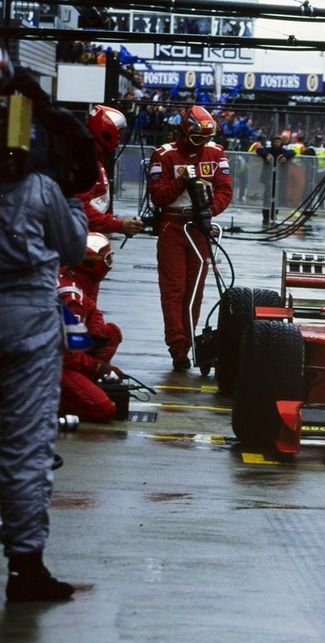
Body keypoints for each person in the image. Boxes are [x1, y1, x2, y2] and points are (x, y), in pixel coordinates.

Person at [0, 134, 88, 602]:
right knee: (26, 446)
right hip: (28, 323)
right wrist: (72, 201)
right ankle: (25, 566)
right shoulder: (40, 188)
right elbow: (74, 248)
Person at [147, 105, 232, 371]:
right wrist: (180, 183)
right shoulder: (163, 155)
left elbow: (225, 191)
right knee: (174, 290)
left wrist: (209, 210)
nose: (202, 143)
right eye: (197, 138)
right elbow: (158, 196)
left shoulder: (216, 153)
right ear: (185, 131)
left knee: (195, 292)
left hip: (200, 227)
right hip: (173, 226)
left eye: (206, 138)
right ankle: (178, 346)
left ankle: (192, 342)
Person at [58, 233, 123, 422]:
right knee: (104, 410)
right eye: (107, 259)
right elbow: (66, 355)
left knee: (110, 332)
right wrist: (98, 367)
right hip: (49, 363)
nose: (110, 265)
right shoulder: (71, 297)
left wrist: (95, 331)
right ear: (91, 263)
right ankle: (54, 406)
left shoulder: (73, 280)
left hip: (54, 355)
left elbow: (94, 311)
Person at [79, 105, 143, 237]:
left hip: (89, 235)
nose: (118, 142)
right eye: (118, 136)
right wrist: (119, 225)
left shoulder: (94, 158)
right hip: (82, 237)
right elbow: (80, 208)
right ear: (106, 132)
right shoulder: (85, 161)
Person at [256, 135, 295, 224]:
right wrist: (266, 155)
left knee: (276, 197)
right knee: (267, 197)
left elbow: (292, 152)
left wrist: (286, 156)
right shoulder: (268, 150)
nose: (277, 143)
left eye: (278, 142)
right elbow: (259, 150)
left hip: (279, 178)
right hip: (268, 178)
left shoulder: (283, 151)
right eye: (275, 142)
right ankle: (266, 215)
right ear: (272, 142)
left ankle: (274, 215)